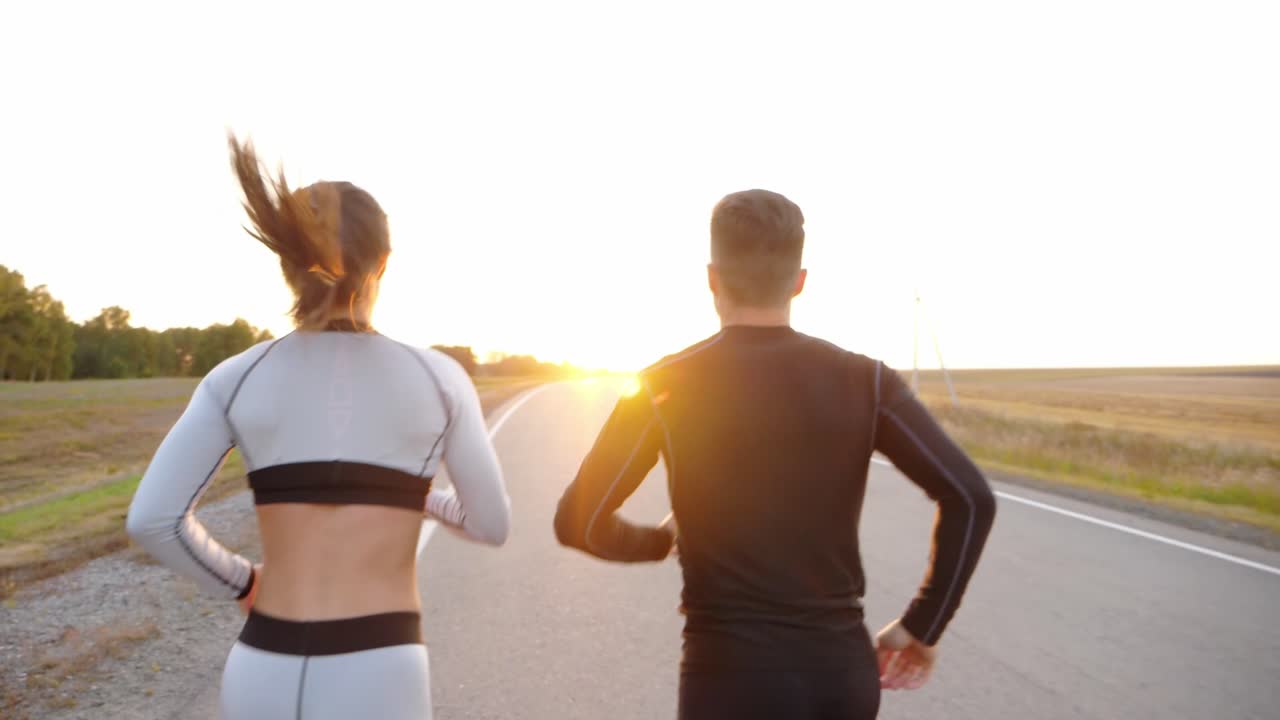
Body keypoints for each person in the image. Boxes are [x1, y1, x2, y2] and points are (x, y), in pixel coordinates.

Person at [552, 189, 997, 719]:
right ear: (799, 281)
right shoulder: (867, 381)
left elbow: (577, 521)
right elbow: (971, 499)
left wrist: (660, 540)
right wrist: (923, 624)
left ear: (713, 278)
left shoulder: (661, 385)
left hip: (729, 677)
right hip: (839, 677)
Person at [125, 133, 511, 720]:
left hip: (264, 667)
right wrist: (422, 498)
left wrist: (242, 583)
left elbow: (154, 519)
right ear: (384, 263)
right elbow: (491, 524)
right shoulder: (438, 378)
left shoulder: (236, 377)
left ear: (286, 266)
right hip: (381, 667)